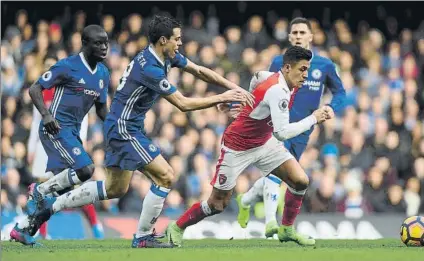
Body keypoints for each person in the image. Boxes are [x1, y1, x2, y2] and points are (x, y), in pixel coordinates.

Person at [17, 15, 250, 248]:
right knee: (166, 175)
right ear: (162, 40)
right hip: (124, 129)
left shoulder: (166, 56)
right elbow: (182, 103)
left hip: (122, 126)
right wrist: (222, 97)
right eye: (176, 39)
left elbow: (199, 71)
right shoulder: (149, 68)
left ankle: (50, 206)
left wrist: (233, 87)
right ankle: (143, 236)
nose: (180, 43)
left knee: (114, 188)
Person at [166, 45, 330, 247]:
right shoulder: (278, 91)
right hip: (237, 147)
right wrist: (314, 118)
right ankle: (177, 227)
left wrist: (245, 105)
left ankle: (286, 229)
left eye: (307, 69)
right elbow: (282, 132)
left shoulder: (269, 77)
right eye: (302, 69)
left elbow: (256, 77)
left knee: (300, 180)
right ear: (287, 68)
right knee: (218, 204)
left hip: (264, 142)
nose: (305, 75)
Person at [236, 17, 346, 238]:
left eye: (302, 33)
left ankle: (246, 200)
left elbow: (340, 92)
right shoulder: (278, 62)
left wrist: (332, 107)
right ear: (289, 37)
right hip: (277, 126)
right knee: (276, 173)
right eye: (294, 33)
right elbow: (265, 91)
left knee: (281, 175)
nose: (298, 36)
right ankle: (270, 224)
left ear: (310, 37)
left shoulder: (324, 65)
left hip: (303, 131)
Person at [10, 24, 110, 245]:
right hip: (55, 128)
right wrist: (46, 116)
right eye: (98, 43)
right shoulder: (67, 66)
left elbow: (101, 109)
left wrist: (115, 126)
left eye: (106, 42)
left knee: (62, 193)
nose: (104, 47)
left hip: (73, 134)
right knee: (86, 169)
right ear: (84, 45)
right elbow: (35, 88)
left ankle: (24, 229)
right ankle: (39, 188)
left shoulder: (103, 73)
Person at [26, 54, 104, 240]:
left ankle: (95, 226)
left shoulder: (72, 88)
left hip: (68, 142)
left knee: (75, 187)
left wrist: (80, 141)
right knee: (43, 188)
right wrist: (31, 149)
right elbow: (36, 121)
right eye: (46, 66)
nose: (50, 70)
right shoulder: (43, 92)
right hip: (45, 144)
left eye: (52, 66)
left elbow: (82, 118)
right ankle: (43, 233)